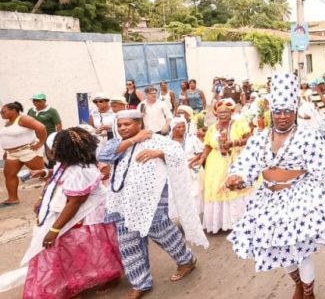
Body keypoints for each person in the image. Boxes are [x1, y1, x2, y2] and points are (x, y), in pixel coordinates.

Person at [225, 72, 325, 299]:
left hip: (299, 196)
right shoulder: (259, 138)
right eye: (278, 112)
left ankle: (309, 293)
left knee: (300, 250)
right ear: (272, 112)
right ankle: (298, 284)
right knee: (278, 248)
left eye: (287, 112)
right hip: (268, 199)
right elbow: (245, 164)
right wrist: (236, 177)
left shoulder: (307, 136)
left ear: (295, 112)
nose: (282, 117)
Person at [99, 110, 207, 298]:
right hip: (122, 202)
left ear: (139, 123)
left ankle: (186, 260)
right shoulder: (116, 143)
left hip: (151, 199)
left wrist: (160, 153)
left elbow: (178, 155)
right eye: (120, 125)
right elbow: (104, 155)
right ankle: (140, 282)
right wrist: (133, 140)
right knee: (128, 242)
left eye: (127, 124)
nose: (123, 128)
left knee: (163, 232)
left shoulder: (156, 139)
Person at [21, 127, 123, 299]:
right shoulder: (68, 162)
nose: (49, 152)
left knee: (86, 248)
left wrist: (54, 230)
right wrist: (45, 172)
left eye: (52, 149)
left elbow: (75, 203)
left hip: (87, 214)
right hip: (72, 212)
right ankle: (73, 285)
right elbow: (60, 174)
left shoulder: (80, 171)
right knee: (75, 251)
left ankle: (108, 277)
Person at [190, 98, 252, 233]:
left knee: (236, 187)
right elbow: (207, 145)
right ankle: (223, 222)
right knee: (216, 188)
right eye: (220, 112)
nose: (223, 114)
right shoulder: (212, 128)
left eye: (226, 112)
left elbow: (249, 139)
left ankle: (240, 220)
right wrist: (202, 158)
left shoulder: (238, 124)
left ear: (231, 112)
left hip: (236, 159)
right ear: (216, 114)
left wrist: (234, 143)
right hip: (215, 163)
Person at [1, 101, 47, 207]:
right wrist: (5, 151)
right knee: (9, 175)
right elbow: (9, 138)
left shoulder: (23, 119)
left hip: (27, 151)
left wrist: (40, 142)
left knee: (43, 174)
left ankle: (60, 194)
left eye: (4, 111)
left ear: (13, 110)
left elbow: (41, 127)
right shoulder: (8, 122)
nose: (1, 113)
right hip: (12, 154)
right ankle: (12, 199)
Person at [170, 117, 205, 215]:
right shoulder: (167, 141)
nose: (182, 129)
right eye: (178, 127)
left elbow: (201, 151)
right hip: (175, 170)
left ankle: (194, 214)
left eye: (183, 126)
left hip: (191, 168)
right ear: (172, 128)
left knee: (193, 192)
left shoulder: (191, 138)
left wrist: (196, 158)